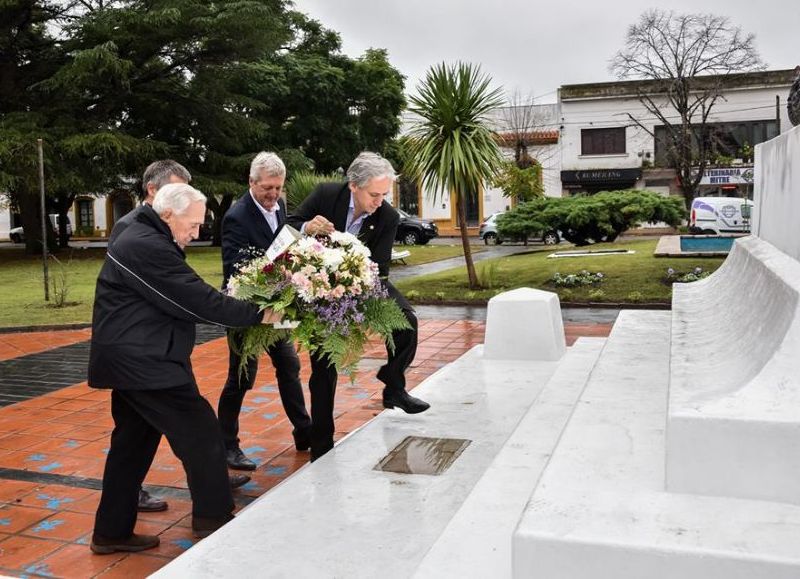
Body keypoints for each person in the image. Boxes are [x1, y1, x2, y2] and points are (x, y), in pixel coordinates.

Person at [89, 183, 280, 554]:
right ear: (166, 214)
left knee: (131, 448)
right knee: (203, 436)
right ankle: (214, 521)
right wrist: (259, 313)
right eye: (192, 225)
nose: (196, 234)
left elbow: (185, 294)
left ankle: (111, 533)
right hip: (143, 363)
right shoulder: (145, 244)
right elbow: (194, 299)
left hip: (138, 358)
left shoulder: (148, 237)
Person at [287, 152, 429, 461]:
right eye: (374, 194)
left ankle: (393, 385)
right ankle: (321, 445)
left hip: (364, 280)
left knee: (407, 321)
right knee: (324, 367)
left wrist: (354, 294)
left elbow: (379, 269)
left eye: (384, 194)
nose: (380, 201)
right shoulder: (326, 194)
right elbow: (289, 224)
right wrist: (308, 225)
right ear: (354, 185)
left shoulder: (388, 217)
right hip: (316, 285)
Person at [217, 152, 312, 470]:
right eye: (267, 188)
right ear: (251, 182)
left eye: (278, 188)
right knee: (241, 379)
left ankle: (304, 432)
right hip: (243, 310)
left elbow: (281, 242)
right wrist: (273, 271)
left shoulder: (280, 206)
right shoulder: (235, 216)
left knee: (289, 366)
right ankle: (228, 446)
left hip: (276, 307)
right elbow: (234, 267)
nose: (273, 195)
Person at [109, 160, 191, 513]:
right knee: (138, 431)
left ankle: (205, 471)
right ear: (153, 191)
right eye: (177, 192)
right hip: (141, 351)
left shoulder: (162, 224)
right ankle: (205, 474)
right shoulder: (132, 228)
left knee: (138, 432)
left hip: (158, 346)